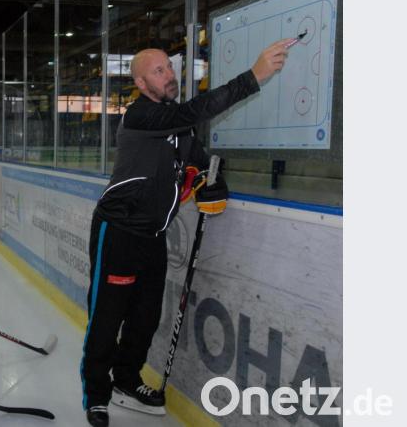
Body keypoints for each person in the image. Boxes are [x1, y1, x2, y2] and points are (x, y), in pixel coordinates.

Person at [80, 39, 293, 427]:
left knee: (145, 318)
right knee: (107, 317)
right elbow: (195, 110)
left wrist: (215, 184)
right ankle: (97, 394)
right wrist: (255, 76)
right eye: (158, 71)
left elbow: (203, 166)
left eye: (169, 67)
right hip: (120, 231)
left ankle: (127, 380)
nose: (169, 75)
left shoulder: (183, 132)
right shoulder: (140, 116)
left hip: (154, 237)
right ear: (142, 84)